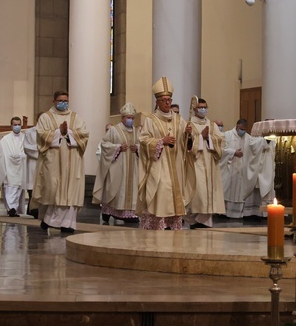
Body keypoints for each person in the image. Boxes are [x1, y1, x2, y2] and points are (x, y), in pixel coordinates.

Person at [31, 90, 89, 233]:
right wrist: (58, 132)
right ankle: (48, 220)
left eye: (66, 101)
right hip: (53, 161)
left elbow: (84, 134)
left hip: (72, 161)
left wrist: (68, 133)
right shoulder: (46, 117)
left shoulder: (75, 118)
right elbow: (41, 135)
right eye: (60, 101)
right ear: (54, 102)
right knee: (54, 191)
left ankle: (68, 224)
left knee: (70, 192)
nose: (63, 103)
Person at [137, 76, 191, 230]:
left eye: (169, 99)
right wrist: (161, 141)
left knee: (174, 194)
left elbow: (185, 143)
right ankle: (158, 225)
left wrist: (188, 134)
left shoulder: (179, 120)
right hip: (158, 167)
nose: (168, 102)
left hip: (175, 167)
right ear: (157, 102)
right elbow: (143, 140)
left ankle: (171, 226)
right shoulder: (151, 120)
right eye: (164, 100)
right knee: (161, 192)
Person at [93, 102, 140, 224]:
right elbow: (104, 144)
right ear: (122, 118)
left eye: (132, 118)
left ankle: (129, 213)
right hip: (117, 166)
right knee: (115, 188)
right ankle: (110, 212)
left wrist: (138, 148)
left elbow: (142, 145)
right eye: (128, 118)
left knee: (131, 188)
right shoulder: (114, 130)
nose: (130, 120)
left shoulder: (136, 131)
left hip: (132, 166)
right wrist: (118, 148)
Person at [220, 119, 275, 219]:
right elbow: (221, 149)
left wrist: (267, 140)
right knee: (228, 190)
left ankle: (239, 212)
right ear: (236, 126)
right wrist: (233, 152)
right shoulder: (227, 135)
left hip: (242, 170)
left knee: (239, 191)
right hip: (230, 168)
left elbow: (257, 144)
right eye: (241, 129)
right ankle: (225, 213)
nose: (243, 131)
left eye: (245, 129)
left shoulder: (248, 138)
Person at [185, 98, 225, 228]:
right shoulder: (189, 125)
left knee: (209, 193)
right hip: (195, 163)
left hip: (211, 162)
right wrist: (200, 137)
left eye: (205, 107)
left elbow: (220, 140)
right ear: (195, 109)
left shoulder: (212, 124)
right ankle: (195, 219)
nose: (203, 110)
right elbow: (186, 143)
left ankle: (203, 221)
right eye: (200, 107)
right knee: (199, 193)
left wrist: (209, 138)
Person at [0, 117, 28, 217]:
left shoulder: (25, 138)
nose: (17, 126)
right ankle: (10, 208)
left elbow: (28, 151)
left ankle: (14, 208)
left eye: (19, 124)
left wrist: (21, 156)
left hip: (21, 167)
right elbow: (2, 154)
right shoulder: (5, 139)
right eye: (15, 125)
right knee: (10, 188)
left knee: (18, 188)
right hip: (9, 167)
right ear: (11, 126)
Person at [24, 114, 40, 218]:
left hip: (45, 162)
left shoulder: (50, 132)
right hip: (33, 162)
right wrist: (40, 149)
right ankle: (32, 208)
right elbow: (27, 147)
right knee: (32, 185)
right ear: (37, 119)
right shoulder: (29, 132)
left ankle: (39, 208)